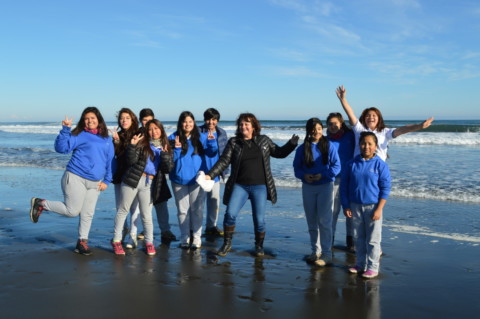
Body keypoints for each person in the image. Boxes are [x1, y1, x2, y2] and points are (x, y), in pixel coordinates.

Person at [205, 113, 299, 257]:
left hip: (259, 186)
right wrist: (210, 174)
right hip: (240, 186)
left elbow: (279, 153)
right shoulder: (234, 142)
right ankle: (227, 244)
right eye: (241, 124)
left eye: (247, 124)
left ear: (254, 126)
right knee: (230, 213)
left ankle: (259, 246)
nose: (243, 127)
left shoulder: (264, 141)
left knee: (259, 220)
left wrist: (291, 144)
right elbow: (224, 161)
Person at [29, 107, 114, 255]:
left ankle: (82, 243)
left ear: (99, 119)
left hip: (95, 182)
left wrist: (107, 180)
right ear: (83, 121)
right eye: (87, 118)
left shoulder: (107, 139)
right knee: (72, 211)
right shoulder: (79, 134)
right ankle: (41, 203)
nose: (90, 121)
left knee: (88, 214)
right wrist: (65, 129)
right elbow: (61, 148)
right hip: (75, 177)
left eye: (93, 118)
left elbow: (111, 161)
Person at [111, 119, 173, 256]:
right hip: (132, 180)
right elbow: (131, 161)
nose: (154, 132)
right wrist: (132, 146)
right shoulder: (142, 143)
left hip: (148, 183)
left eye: (156, 129)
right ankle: (116, 240)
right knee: (123, 210)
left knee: (146, 214)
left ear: (161, 130)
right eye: (150, 129)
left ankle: (149, 242)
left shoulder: (165, 146)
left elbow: (167, 169)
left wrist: (164, 155)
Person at [340, 132, 391, 279]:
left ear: (375, 146)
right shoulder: (351, 164)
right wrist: (346, 206)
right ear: (359, 145)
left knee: (373, 239)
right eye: (363, 143)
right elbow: (344, 186)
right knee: (358, 238)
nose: (366, 146)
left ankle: (373, 267)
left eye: (370, 144)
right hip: (355, 206)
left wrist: (379, 208)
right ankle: (360, 264)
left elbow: (385, 188)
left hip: (373, 207)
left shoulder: (380, 165)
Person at [336, 85, 434, 161]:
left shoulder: (385, 132)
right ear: (364, 118)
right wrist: (343, 99)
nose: (371, 117)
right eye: (368, 115)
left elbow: (401, 130)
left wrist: (419, 126)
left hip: (378, 169)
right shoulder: (359, 130)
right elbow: (350, 113)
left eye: (374, 115)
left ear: (379, 118)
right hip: (359, 165)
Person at [293, 118, 340, 266]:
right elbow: (297, 168)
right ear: (308, 130)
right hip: (308, 187)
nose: (316, 131)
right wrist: (304, 175)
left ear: (322, 129)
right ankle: (315, 251)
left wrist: (323, 175)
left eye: (319, 128)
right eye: (313, 129)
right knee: (311, 220)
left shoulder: (329, 145)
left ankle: (326, 254)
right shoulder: (302, 148)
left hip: (325, 185)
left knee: (325, 221)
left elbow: (337, 166)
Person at [126, 108, 177, 244]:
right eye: (144, 120)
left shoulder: (163, 140)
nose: (148, 123)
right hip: (141, 177)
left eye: (150, 120)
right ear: (141, 122)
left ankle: (165, 230)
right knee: (140, 207)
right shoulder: (139, 137)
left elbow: (169, 159)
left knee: (161, 203)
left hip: (158, 177)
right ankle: (141, 231)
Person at [168, 111, 218, 250]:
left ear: (194, 123)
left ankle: (196, 238)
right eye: (185, 121)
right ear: (180, 123)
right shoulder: (173, 137)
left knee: (197, 210)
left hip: (197, 179)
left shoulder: (201, 137)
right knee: (182, 211)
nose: (188, 124)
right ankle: (185, 238)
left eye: (190, 121)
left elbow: (211, 153)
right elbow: (170, 161)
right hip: (178, 179)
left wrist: (212, 142)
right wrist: (177, 150)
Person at [326, 112, 356, 252]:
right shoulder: (325, 140)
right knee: (333, 211)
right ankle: (329, 241)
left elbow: (368, 142)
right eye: (330, 124)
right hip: (334, 180)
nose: (333, 126)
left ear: (341, 122)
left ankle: (351, 242)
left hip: (351, 178)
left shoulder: (351, 136)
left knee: (351, 211)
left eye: (335, 123)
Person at [111, 108, 139, 244]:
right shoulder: (118, 135)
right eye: (122, 118)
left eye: (127, 118)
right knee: (120, 207)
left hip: (134, 175)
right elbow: (115, 155)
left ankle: (132, 235)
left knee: (135, 208)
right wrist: (116, 141)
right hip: (120, 174)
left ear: (133, 119)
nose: (124, 120)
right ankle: (123, 229)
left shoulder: (139, 134)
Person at [199, 107, 228, 237]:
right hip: (200, 173)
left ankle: (211, 226)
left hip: (215, 173)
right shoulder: (198, 132)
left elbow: (225, 154)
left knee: (214, 201)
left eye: (214, 119)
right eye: (208, 119)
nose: (211, 122)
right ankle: (195, 227)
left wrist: (225, 171)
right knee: (198, 203)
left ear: (217, 120)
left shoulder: (222, 133)